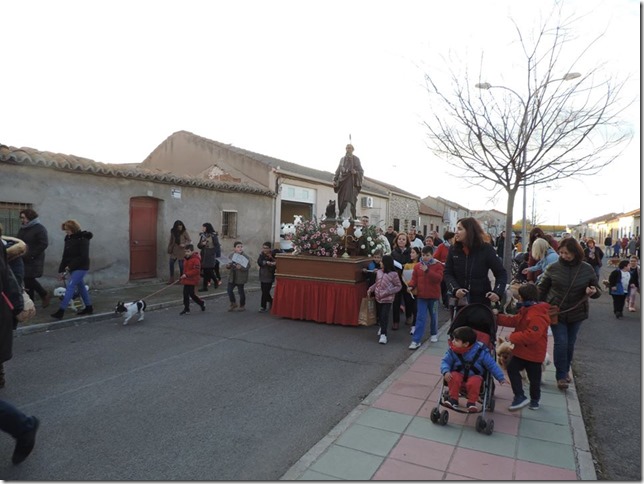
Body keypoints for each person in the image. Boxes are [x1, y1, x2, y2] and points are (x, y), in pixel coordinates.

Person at [537, 237, 601, 390]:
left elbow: (597, 290)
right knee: (561, 342)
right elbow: (541, 288)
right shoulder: (553, 268)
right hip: (556, 312)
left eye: (567, 253)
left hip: (577, 313)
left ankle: (565, 371)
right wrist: (536, 306)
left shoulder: (587, 269)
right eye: (561, 252)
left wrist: (592, 291)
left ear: (575, 252)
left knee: (570, 344)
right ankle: (561, 376)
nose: (563, 256)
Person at [495, 284, 551, 411]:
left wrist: (512, 337)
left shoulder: (537, 315)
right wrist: (497, 318)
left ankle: (534, 400)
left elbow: (532, 335)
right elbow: (514, 320)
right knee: (512, 368)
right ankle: (519, 395)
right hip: (521, 352)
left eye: (519, 296)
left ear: (524, 297)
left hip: (534, 354)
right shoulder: (527, 310)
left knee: (534, 380)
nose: (518, 299)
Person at [443, 217, 507, 310]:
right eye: (456, 229)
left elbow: (501, 273)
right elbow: (447, 272)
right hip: (459, 303)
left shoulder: (486, 249)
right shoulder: (453, 250)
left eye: (460, 229)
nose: (456, 232)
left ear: (470, 231)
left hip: (481, 302)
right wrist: (455, 289)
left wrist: (497, 292)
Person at [440, 326, 506, 412]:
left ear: (466, 344)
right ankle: (453, 399)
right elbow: (445, 361)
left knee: (475, 381)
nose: (452, 342)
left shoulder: (481, 352)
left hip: (474, 375)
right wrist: (445, 371)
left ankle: (471, 402)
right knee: (453, 376)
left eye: (456, 340)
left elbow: (492, 365)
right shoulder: (452, 351)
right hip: (458, 373)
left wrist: (500, 377)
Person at [50, 220, 93, 320]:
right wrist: (62, 270)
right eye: (65, 230)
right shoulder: (68, 238)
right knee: (81, 287)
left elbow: (83, 256)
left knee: (70, 286)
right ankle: (89, 307)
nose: (66, 232)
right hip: (71, 267)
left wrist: (69, 267)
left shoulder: (83, 238)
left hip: (81, 266)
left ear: (73, 229)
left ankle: (61, 311)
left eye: (68, 230)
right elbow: (65, 255)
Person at [406, 245, 444, 349]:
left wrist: (427, 271)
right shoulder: (418, 266)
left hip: (434, 297)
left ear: (432, 255)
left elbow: (439, 279)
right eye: (423, 255)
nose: (425, 257)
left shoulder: (438, 266)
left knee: (434, 316)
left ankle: (434, 333)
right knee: (420, 317)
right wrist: (411, 286)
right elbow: (414, 279)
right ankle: (416, 340)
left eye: (427, 255)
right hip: (421, 296)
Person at [17, 209, 51, 308]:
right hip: (23, 258)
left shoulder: (39, 228)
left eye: (23, 217)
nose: (22, 220)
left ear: (30, 217)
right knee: (27, 281)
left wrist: (31, 255)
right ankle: (30, 305)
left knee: (28, 279)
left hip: (34, 259)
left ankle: (44, 294)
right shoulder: (23, 228)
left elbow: (43, 244)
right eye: (21, 218)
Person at [366, 254, 402, 345]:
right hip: (378, 297)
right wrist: (371, 289)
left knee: (384, 315)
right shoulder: (379, 272)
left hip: (387, 298)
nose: (380, 263)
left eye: (382, 261)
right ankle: (382, 327)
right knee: (380, 314)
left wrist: (389, 291)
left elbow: (398, 286)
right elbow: (377, 283)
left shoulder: (394, 274)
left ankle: (383, 335)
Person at [333, 144, 364, 220]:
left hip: (351, 182)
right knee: (342, 199)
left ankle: (350, 217)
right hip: (342, 182)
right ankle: (341, 216)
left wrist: (356, 172)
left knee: (349, 199)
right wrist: (334, 179)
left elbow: (361, 171)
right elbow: (338, 170)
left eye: (349, 148)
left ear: (352, 149)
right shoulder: (342, 159)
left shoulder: (356, 159)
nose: (348, 149)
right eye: (346, 148)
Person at [390, 232, 412, 330]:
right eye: (399, 239)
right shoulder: (393, 252)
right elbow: (391, 265)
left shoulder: (411, 251)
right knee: (396, 301)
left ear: (407, 241)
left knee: (408, 299)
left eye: (403, 239)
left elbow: (414, 262)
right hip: (397, 278)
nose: (401, 241)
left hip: (407, 278)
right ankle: (395, 321)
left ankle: (408, 316)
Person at [178, 244, 205, 315]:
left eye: (188, 251)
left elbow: (196, 270)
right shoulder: (185, 259)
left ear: (192, 251)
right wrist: (183, 276)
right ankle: (186, 309)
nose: (186, 253)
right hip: (186, 279)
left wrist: (186, 274)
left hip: (193, 279)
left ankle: (201, 303)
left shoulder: (196, 260)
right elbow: (185, 269)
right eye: (185, 251)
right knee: (185, 294)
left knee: (191, 294)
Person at [225, 241, 250, 312]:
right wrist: (228, 266)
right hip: (232, 276)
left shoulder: (245, 257)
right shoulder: (231, 255)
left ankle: (242, 305)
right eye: (238, 247)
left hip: (240, 277)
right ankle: (233, 303)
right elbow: (228, 265)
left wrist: (241, 267)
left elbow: (248, 267)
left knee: (240, 292)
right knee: (229, 290)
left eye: (241, 247)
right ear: (234, 248)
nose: (240, 248)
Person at [197, 222, 221, 292]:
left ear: (207, 228)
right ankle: (205, 287)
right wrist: (202, 244)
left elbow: (217, 246)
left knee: (209, 270)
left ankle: (215, 281)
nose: (202, 229)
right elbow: (198, 246)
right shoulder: (203, 235)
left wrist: (212, 252)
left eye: (204, 227)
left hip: (210, 256)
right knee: (205, 271)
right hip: (204, 255)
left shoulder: (213, 236)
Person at [433, 230, 455, 309]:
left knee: (452, 287)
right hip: (443, 270)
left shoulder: (456, 247)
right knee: (445, 288)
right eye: (453, 238)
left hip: (454, 270)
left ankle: (451, 304)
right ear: (449, 239)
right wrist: (441, 263)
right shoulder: (441, 246)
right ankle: (446, 304)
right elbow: (435, 258)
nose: (455, 239)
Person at [401, 247, 421, 332]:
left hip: (417, 289)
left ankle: (414, 324)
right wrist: (407, 283)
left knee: (415, 307)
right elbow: (404, 275)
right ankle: (408, 316)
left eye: (413, 252)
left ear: (417, 254)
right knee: (408, 304)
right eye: (411, 253)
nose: (411, 254)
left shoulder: (420, 264)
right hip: (408, 288)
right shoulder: (407, 265)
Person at [167, 220, 191, 284]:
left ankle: (181, 279)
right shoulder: (173, 231)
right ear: (176, 227)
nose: (180, 228)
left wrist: (184, 244)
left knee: (181, 266)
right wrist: (169, 248)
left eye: (181, 226)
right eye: (178, 227)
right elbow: (171, 240)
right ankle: (171, 278)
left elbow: (189, 240)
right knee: (171, 263)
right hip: (174, 249)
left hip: (181, 250)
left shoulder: (184, 232)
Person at [257, 241, 277, 312]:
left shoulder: (273, 254)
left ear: (270, 249)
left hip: (269, 276)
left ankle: (263, 306)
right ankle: (271, 301)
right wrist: (266, 262)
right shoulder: (261, 255)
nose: (265, 250)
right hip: (262, 276)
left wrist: (272, 262)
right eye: (264, 248)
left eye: (266, 248)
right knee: (264, 291)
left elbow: (277, 262)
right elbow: (259, 262)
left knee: (265, 291)